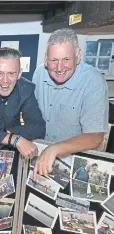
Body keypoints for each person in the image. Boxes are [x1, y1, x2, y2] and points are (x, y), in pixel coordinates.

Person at [33, 29, 109, 177]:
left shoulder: (94, 81)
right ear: (46, 58)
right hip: (42, 157)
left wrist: (55, 149)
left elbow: (95, 136)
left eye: (66, 59)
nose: (59, 68)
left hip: (75, 163)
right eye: (54, 60)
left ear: (78, 56)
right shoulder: (39, 73)